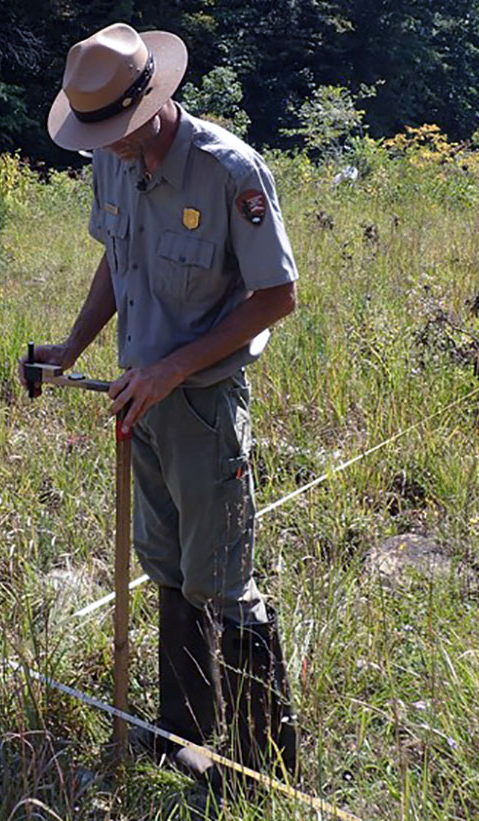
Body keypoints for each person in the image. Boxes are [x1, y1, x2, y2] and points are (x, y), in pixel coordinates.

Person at [22, 22, 299, 781]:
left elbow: (278, 295)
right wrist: (73, 348)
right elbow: (118, 260)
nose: (103, 144)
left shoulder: (227, 170)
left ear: (149, 105)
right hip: (135, 399)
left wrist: (174, 369)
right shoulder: (111, 166)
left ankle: (260, 765)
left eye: (112, 129)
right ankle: (184, 737)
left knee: (225, 581)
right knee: (167, 569)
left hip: (203, 407)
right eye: (94, 132)